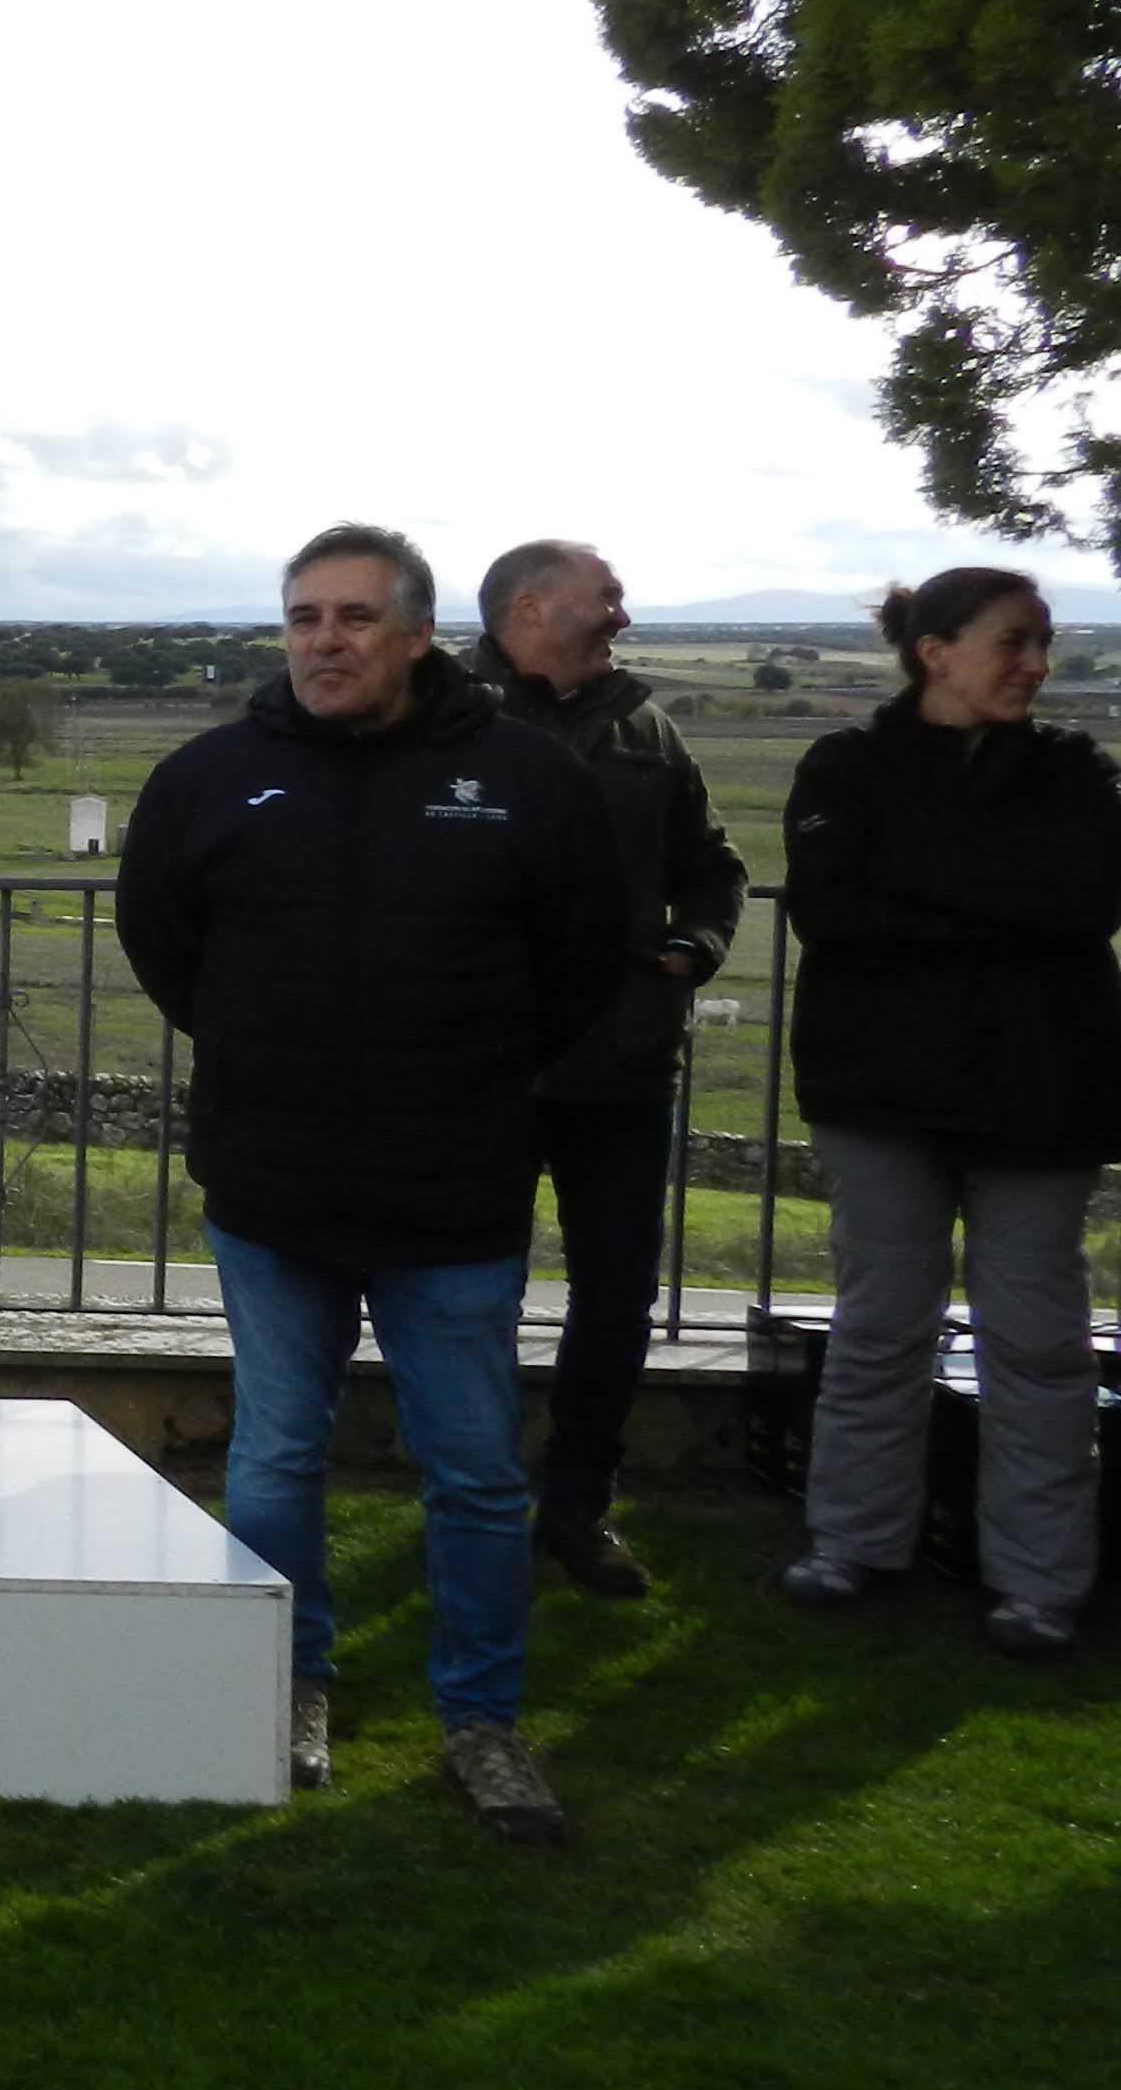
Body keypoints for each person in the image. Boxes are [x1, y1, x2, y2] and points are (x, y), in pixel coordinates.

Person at [118, 524, 626, 1844]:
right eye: (303, 618)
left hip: (454, 1190)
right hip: (272, 1190)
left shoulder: (523, 780)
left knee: (470, 1473)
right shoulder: (211, 780)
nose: (324, 642)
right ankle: (290, 1682)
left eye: (352, 619)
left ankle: (483, 1720)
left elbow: (580, 965)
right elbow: (168, 952)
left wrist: (478, 1076)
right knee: (276, 1457)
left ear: (415, 634)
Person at [775, 569, 1117, 1662]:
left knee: (1036, 1345)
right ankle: (853, 1545)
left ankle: (1039, 1583)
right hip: (881, 1098)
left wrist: (921, 883)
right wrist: (1007, 899)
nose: (1034, 665)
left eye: (1042, 644)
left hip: (1039, 1096)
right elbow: (832, 913)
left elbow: (1086, 899)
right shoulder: (845, 765)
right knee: (879, 1329)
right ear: (934, 650)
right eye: (1012, 641)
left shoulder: (1073, 773)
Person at [471, 540, 749, 1599]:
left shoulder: (647, 727)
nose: (622, 615)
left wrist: (691, 954)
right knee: (463, 1300)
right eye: (610, 598)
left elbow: (712, 868)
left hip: (623, 1067)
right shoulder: (445, 718)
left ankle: (578, 1508)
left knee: (618, 1299)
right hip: (479, 1065)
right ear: (533, 610)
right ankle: (478, 1501)